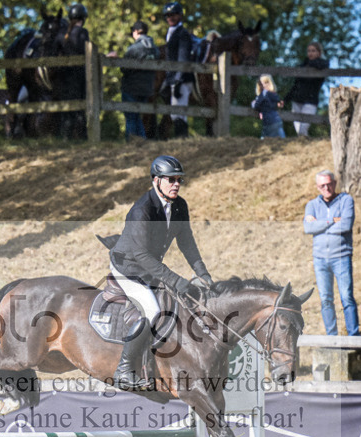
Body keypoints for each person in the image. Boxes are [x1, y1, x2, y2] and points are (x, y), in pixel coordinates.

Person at [107, 155, 213, 390]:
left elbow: (187, 242)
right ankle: (124, 369)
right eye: (171, 179)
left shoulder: (179, 205)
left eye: (179, 180)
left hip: (150, 267)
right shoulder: (142, 210)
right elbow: (141, 255)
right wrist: (176, 280)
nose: (176, 184)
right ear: (156, 180)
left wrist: (203, 274)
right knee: (152, 311)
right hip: (129, 268)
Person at [303, 170, 359, 336]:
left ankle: (353, 335)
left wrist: (319, 225)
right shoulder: (312, 205)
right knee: (325, 299)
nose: (326, 188)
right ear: (317, 187)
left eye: (329, 184)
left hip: (341, 257)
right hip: (320, 259)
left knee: (346, 297)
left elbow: (345, 225)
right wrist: (331, 221)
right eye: (322, 185)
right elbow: (308, 228)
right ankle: (331, 337)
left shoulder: (346, 200)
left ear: (334, 183)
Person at [54, 3, 89, 139]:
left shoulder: (62, 34)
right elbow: (86, 52)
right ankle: (82, 138)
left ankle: (66, 138)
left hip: (63, 76)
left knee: (67, 109)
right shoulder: (83, 33)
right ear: (83, 18)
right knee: (80, 110)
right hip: (79, 76)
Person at [119, 21, 159, 141]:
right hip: (147, 88)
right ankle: (142, 141)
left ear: (136, 32)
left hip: (131, 88)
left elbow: (124, 68)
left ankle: (131, 142)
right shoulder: (155, 50)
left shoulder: (133, 49)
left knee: (131, 117)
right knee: (138, 117)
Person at [160, 2, 194, 138]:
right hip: (173, 77)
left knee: (178, 113)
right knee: (175, 113)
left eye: (173, 15)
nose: (170, 18)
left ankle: (182, 139)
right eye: (168, 15)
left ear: (180, 15)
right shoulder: (171, 32)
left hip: (182, 78)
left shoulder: (182, 34)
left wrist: (178, 80)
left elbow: (183, 58)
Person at [284, 41, 328, 136]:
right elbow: (296, 85)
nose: (310, 53)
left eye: (313, 51)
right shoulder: (302, 66)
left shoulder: (323, 64)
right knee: (299, 131)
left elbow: (321, 64)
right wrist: (285, 99)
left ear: (319, 53)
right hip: (297, 100)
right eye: (309, 51)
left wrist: (309, 63)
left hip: (310, 101)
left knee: (303, 129)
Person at [251, 74, 285, 139]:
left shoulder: (264, 94)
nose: (264, 85)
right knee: (282, 139)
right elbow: (277, 102)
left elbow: (256, 106)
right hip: (277, 121)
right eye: (262, 83)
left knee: (265, 140)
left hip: (270, 122)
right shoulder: (273, 94)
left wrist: (253, 103)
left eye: (266, 82)